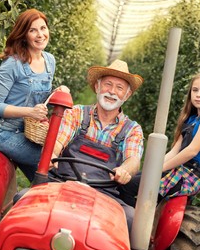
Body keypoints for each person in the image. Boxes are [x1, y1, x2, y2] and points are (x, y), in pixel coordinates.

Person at [48, 59, 145, 234]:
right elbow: (58, 141)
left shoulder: (132, 129)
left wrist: (124, 170)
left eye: (119, 88)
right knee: (22, 198)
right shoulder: (76, 113)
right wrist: (51, 153)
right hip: (62, 183)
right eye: (108, 84)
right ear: (98, 86)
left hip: (104, 194)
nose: (112, 92)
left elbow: (133, 160)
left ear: (127, 95)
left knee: (132, 220)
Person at [118, 72, 200, 207]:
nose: (198, 94)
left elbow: (192, 151)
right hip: (177, 170)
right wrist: (154, 167)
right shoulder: (192, 119)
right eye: (195, 90)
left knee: (127, 186)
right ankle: (142, 216)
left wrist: (160, 169)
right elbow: (175, 151)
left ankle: (139, 223)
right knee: (130, 179)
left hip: (187, 177)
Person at [0, 9, 62, 182]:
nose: (40, 35)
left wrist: (58, 91)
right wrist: (29, 112)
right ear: (24, 35)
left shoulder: (50, 61)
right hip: (1, 132)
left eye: (43, 28)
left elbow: (38, 97)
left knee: (51, 178)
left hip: (28, 132)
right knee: (52, 161)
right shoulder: (13, 64)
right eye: (33, 30)